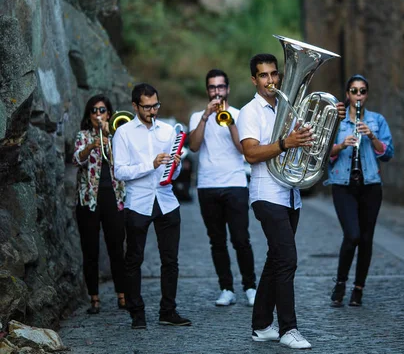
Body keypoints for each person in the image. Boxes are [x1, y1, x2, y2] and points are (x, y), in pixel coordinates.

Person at [238, 53, 345, 349]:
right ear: (254, 80)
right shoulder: (250, 111)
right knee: (287, 260)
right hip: (266, 194)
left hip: (289, 193)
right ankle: (288, 329)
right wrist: (286, 143)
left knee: (276, 260)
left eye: (274, 74)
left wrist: (330, 124)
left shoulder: (288, 109)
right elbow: (250, 153)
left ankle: (261, 325)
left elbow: (309, 146)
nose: (270, 80)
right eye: (263, 75)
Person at [113, 83, 191, 329]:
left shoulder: (168, 131)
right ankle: (137, 313)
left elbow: (174, 174)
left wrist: (175, 164)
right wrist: (152, 163)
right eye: (146, 107)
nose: (152, 111)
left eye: (155, 105)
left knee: (171, 260)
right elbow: (120, 172)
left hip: (167, 201)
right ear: (135, 106)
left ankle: (168, 311)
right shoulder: (123, 133)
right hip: (138, 202)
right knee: (133, 259)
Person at [188, 69, 257, 307]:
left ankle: (250, 287)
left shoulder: (239, 114)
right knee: (216, 240)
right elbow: (194, 147)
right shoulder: (198, 116)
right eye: (212, 88)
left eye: (220, 87)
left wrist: (230, 121)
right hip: (207, 185)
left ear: (227, 89)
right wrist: (206, 117)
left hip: (235, 184)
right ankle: (226, 288)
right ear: (207, 90)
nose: (216, 92)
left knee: (240, 239)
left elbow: (242, 149)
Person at [325, 74, 394, 307]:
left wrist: (371, 136)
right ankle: (341, 282)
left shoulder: (377, 120)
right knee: (352, 235)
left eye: (362, 91)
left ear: (366, 95)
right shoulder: (338, 121)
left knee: (366, 239)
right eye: (354, 91)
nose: (358, 95)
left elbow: (388, 153)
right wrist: (342, 144)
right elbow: (324, 154)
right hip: (343, 184)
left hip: (370, 185)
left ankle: (358, 289)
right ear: (347, 94)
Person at [72, 94, 126, 315]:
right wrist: (93, 144)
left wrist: (108, 137)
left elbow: (124, 161)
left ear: (109, 114)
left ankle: (122, 295)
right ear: (89, 115)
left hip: (114, 198)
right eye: (94, 111)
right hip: (88, 199)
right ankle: (94, 298)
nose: (98, 114)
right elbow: (76, 159)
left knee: (117, 247)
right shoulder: (83, 136)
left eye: (102, 110)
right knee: (90, 248)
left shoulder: (118, 136)